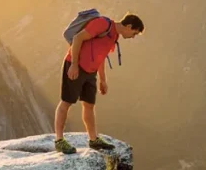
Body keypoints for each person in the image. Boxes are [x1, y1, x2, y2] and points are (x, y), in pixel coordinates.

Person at [54, 12, 144, 154]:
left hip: (90, 71)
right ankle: (59, 141)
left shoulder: (114, 35)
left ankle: (93, 139)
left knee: (89, 105)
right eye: (134, 33)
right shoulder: (103, 24)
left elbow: (101, 56)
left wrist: (102, 80)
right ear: (129, 26)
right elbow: (77, 38)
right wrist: (74, 65)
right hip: (75, 65)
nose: (132, 37)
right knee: (66, 102)